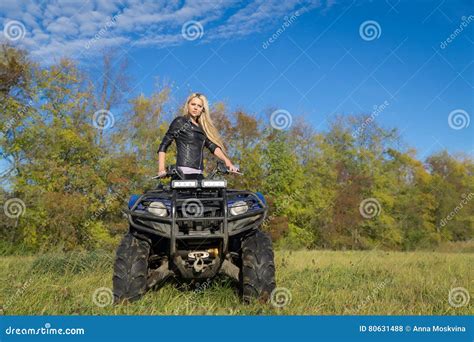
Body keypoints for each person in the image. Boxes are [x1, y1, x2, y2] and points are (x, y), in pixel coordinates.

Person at [157, 92, 238, 180]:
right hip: (182, 174)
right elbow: (164, 145)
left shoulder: (202, 128)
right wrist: (161, 168)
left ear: (202, 110)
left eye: (199, 106)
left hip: (199, 174)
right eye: (193, 104)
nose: (195, 108)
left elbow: (212, 146)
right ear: (188, 105)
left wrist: (227, 162)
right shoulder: (179, 122)